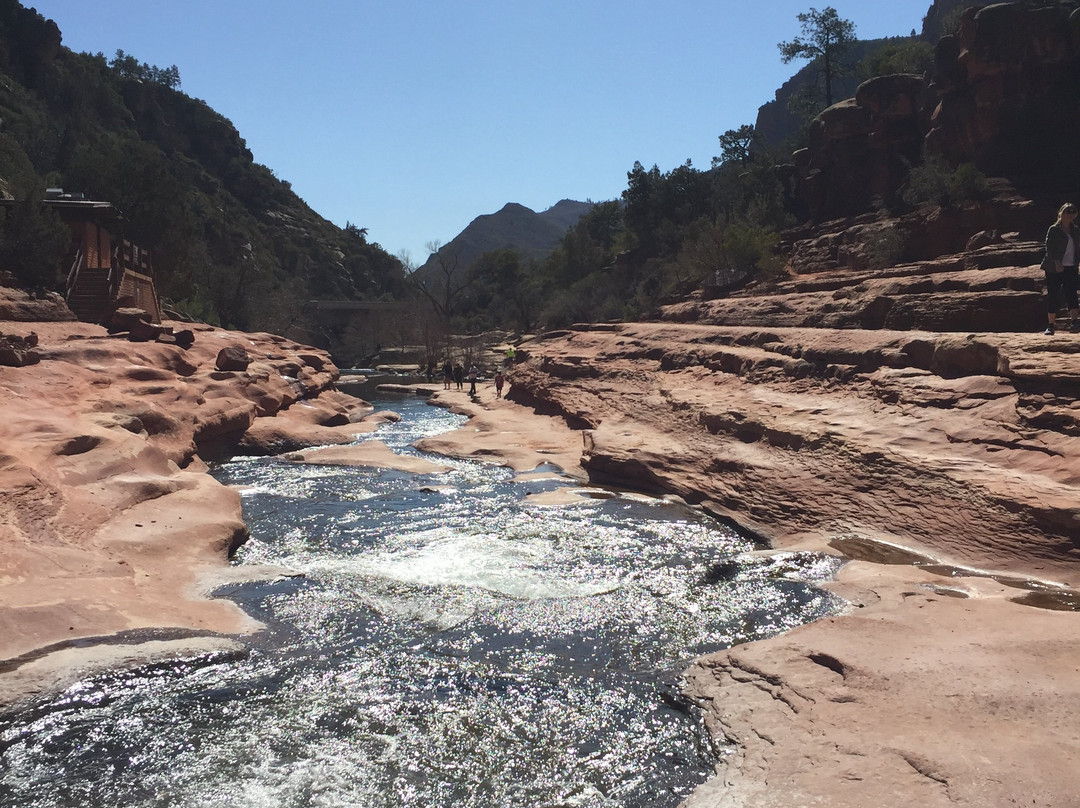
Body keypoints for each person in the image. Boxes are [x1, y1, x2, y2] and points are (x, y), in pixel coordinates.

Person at [1042, 202, 1080, 334]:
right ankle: (1051, 325)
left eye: (1072, 212)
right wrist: (1057, 262)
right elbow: (1049, 247)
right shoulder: (1054, 229)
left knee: (1071, 294)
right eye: (1067, 212)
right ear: (1061, 213)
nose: (1070, 214)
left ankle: (1075, 322)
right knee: (1054, 294)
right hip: (1054, 268)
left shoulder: (1075, 230)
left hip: (1071, 267)